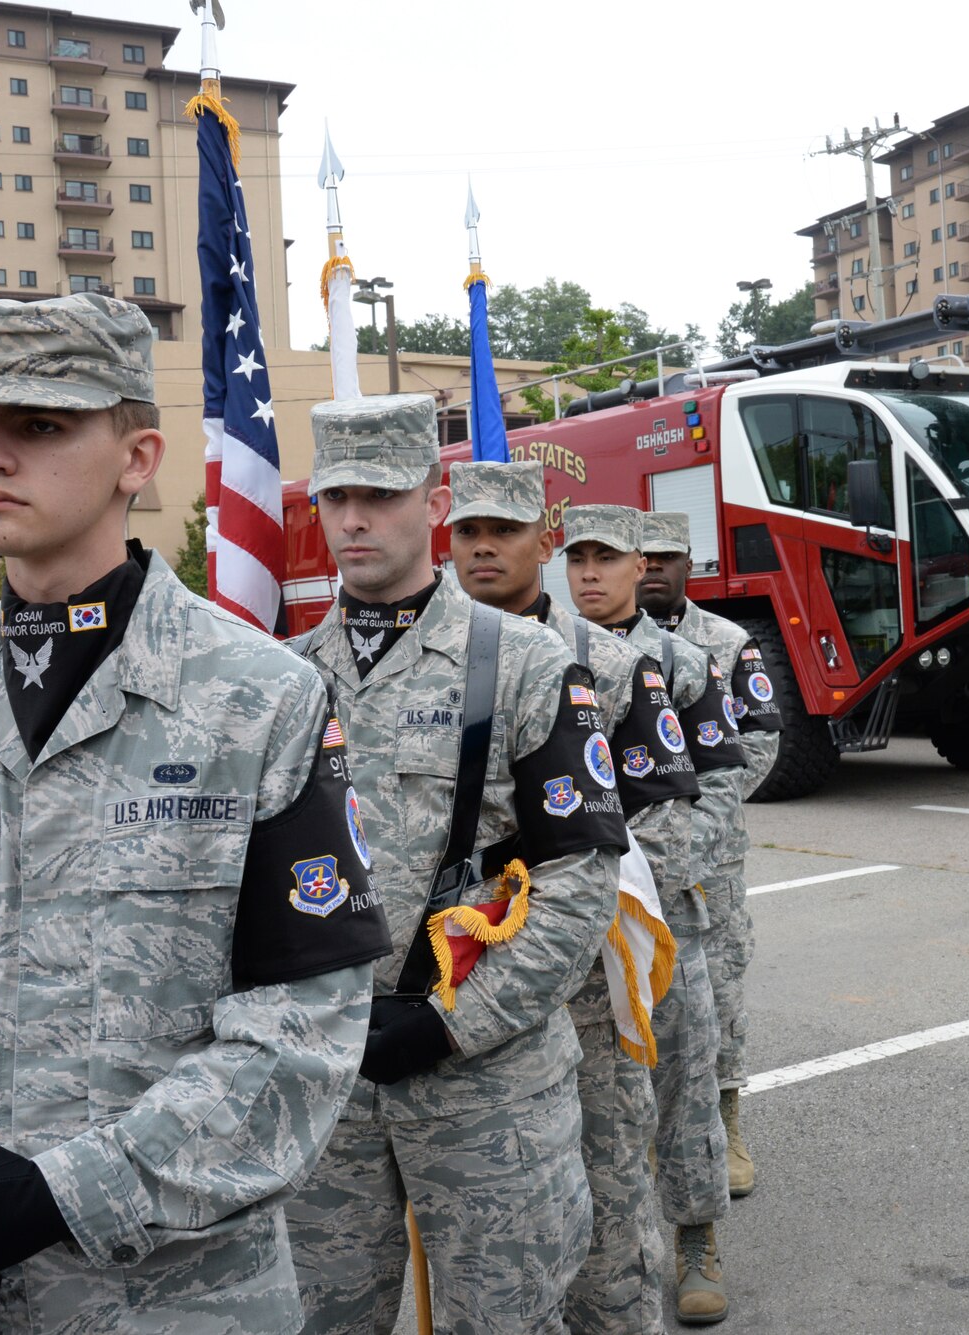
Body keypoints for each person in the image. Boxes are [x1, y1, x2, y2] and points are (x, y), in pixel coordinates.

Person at [0, 292, 391, 1335]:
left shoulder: (258, 698)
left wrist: (64, 1191)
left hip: (185, 1302)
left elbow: (301, 1039)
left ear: (137, 456)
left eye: (40, 426)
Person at [283, 395, 628, 1335]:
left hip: (489, 1085)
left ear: (432, 503)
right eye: (335, 496)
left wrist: (447, 1024)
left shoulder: (524, 663)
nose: (352, 519)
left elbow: (577, 887)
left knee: (506, 1318)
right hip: (327, 1084)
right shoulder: (279, 678)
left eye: (380, 494)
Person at [446, 461, 698, 1335]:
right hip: (456, 977)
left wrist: (549, 896)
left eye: (504, 530)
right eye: (467, 531)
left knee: (608, 1171)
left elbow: (658, 826)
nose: (484, 547)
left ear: (538, 544)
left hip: (586, 975)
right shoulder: (428, 658)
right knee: (493, 1212)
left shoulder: (616, 665)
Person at [563, 503, 744, 1326]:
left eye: (607, 557)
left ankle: (697, 1236)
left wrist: (638, 890)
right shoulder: (547, 655)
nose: (589, 572)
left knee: (683, 1078)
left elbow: (717, 790)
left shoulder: (685, 661)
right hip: (570, 931)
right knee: (592, 1104)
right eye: (578, 557)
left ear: (642, 564)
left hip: (666, 914)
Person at [638, 512, 782, 1199]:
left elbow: (759, 742)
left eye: (669, 556)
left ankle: (726, 1119)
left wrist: (690, 826)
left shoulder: (726, 643)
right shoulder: (597, 646)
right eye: (646, 556)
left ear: (689, 565)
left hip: (709, 858)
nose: (656, 568)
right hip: (629, 857)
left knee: (718, 989)